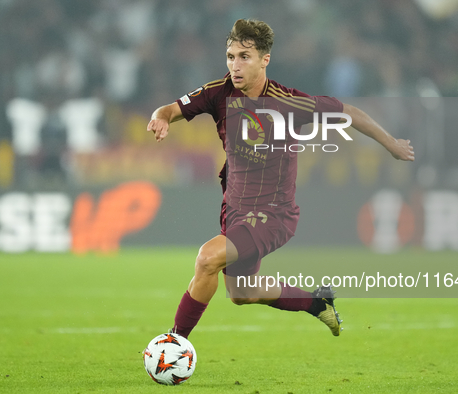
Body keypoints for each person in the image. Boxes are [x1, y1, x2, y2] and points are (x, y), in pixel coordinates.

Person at [147, 19, 414, 339]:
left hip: (273, 212)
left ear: (265, 59)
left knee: (207, 259)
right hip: (234, 208)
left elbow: (351, 113)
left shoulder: (287, 103)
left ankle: (174, 341)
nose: (235, 65)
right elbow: (171, 109)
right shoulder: (219, 93)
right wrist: (160, 117)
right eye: (231, 56)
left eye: (244, 56)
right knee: (242, 293)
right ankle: (318, 304)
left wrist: (392, 144)